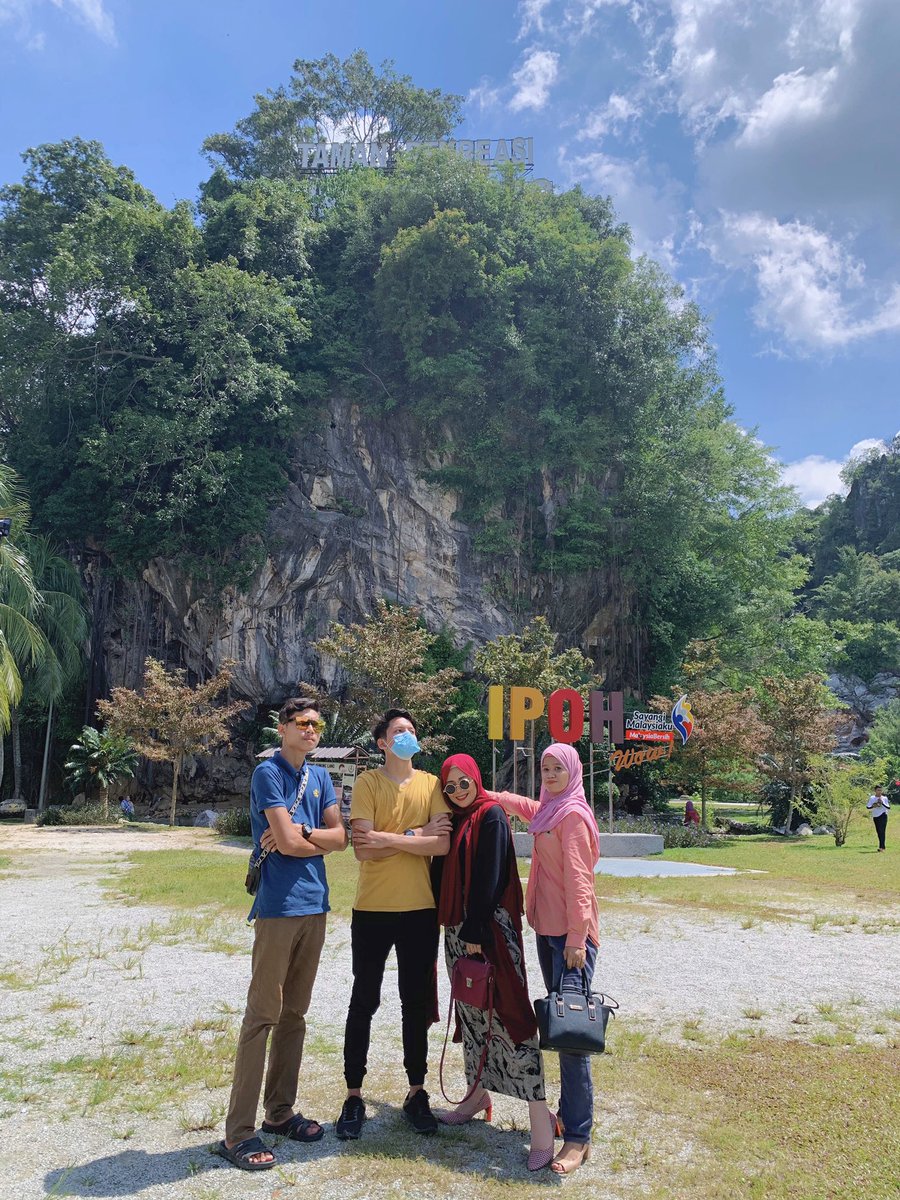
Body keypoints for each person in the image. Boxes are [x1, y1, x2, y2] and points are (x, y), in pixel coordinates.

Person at [216, 696, 348, 1171]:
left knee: (296, 1014)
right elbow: (287, 843)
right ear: (283, 728)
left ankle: (279, 1112)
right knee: (262, 1016)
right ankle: (238, 1133)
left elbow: (341, 839)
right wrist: (309, 837)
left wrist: (304, 833)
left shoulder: (320, 777)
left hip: (316, 906)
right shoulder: (267, 774)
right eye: (302, 723)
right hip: (278, 909)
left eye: (317, 723)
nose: (311, 730)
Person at [434, 754, 556, 1171]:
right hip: (457, 931)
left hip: (488, 933)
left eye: (462, 782)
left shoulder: (490, 817)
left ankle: (541, 1121)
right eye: (449, 787)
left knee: (510, 1016)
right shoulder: (456, 819)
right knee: (471, 1017)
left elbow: (489, 878)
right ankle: (475, 1095)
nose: (457, 791)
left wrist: (473, 933)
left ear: (475, 778)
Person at [336, 709, 452, 1139]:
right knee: (364, 999)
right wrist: (412, 836)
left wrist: (392, 837)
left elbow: (441, 845)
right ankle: (353, 1094)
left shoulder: (432, 784)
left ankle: (416, 1091)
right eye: (398, 732)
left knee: (414, 1002)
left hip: (420, 910)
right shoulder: (368, 783)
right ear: (383, 743)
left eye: (411, 731)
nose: (407, 736)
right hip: (372, 909)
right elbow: (362, 850)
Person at [493, 743, 600, 1177]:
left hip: (570, 941)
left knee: (572, 1037)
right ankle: (567, 1118)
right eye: (545, 768)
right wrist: (486, 794)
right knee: (557, 1028)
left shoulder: (572, 815)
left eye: (558, 768)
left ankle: (577, 1138)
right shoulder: (550, 810)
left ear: (572, 771)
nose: (551, 774)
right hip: (548, 932)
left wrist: (577, 938)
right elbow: (524, 806)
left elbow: (581, 881)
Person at [866, 785, 890, 852]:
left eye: (880, 790)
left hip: (883, 815)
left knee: (882, 831)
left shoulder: (884, 798)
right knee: (879, 831)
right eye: (878, 790)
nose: (879, 792)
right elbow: (868, 807)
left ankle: (882, 847)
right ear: (875, 791)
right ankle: (882, 846)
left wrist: (882, 803)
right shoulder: (872, 798)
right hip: (876, 816)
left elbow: (888, 807)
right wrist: (875, 805)